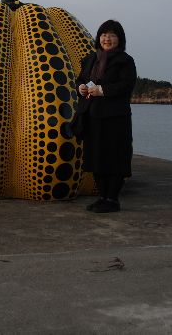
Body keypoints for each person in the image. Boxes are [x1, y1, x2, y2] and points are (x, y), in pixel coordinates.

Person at [74, 19, 137, 213]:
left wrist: (102, 90)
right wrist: (81, 88)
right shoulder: (91, 59)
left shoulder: (125, 61)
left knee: (115, 158)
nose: (106, 39)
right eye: (103, 35)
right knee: (96, 157)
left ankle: (112, 199)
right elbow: (81, 79)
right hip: (92, 116)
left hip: (115, 118)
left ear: (119, 39)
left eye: (111, 35)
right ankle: (102, 197)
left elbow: (126, 85)